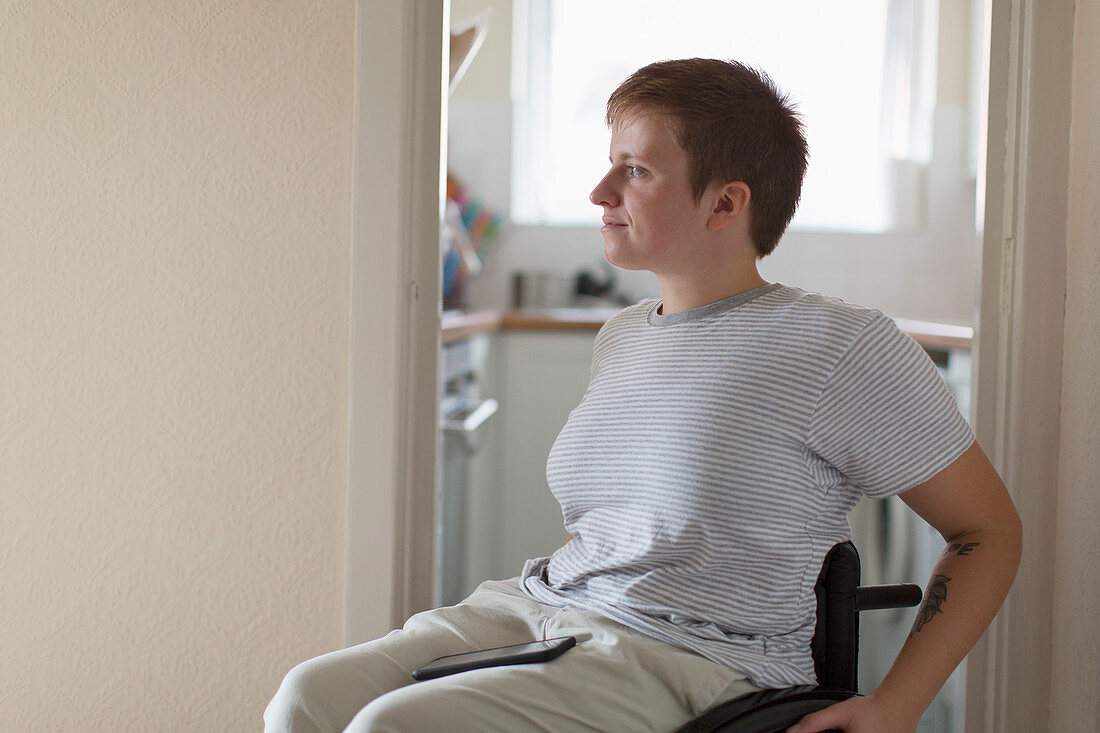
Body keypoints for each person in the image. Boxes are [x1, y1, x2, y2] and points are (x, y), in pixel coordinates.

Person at [264, 58, 1021, 733]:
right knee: (308, 698)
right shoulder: (623, 335)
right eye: (610, 164)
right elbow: (623, 523)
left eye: (635, 171)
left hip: (696, 658)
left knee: (394, 727)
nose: (601, 191)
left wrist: (897, 705)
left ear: (725, 205)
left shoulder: (839, 346)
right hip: (547, 607)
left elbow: (987, 530)